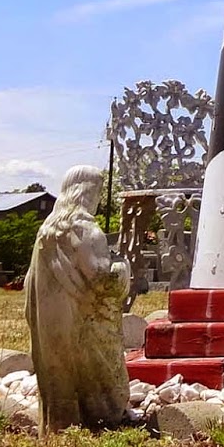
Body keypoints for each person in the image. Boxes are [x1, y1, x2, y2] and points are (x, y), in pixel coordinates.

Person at [25, 165, 130, 432]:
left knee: (57, 368)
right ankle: (99, 420)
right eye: (96, 191)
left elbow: (29, 280)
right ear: (87, 192)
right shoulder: (84, 228)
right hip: (81, 316)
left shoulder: (47, 230)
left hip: (47, 317)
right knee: (92, 372)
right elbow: (101, 277)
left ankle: (58, 423)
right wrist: (123, 269)